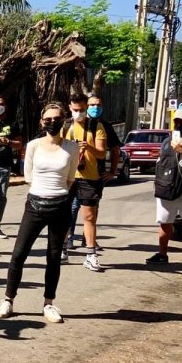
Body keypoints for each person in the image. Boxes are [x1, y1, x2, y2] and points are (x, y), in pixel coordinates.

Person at [0, 103, 79, 324]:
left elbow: (70, 178)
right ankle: (8, 299)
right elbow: (28, 175)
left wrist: (57, 194)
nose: (52, 122)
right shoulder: (33, 146)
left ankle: (48, 303)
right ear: (42, 121)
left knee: (53, 257)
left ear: (64, 120)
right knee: (19, 254)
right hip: (35, 205)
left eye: (57, 118)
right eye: (48, 119)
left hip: (60, 206)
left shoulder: (71, 147)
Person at [146, 107, 182, 270]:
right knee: (165, 224)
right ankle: (162, 254)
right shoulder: (167, 141)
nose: (178, 124)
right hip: (167, 188)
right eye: (176, 121)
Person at [63, 93, 107, 271]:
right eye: (75, 110)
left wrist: (88, 146)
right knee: (64, 215)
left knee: (89, 217)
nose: (79, 113)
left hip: (89, 177)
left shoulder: (96, 126)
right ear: (70, 108)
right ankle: (63, 249)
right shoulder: (65, 125)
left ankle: (91, 255)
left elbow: (102, 153)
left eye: (82, 110)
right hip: (68, 177)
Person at [0, 95, 21, 239]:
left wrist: (8, 142)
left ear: (5, 106)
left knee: (1, 196)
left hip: (5, 165)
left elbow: (19, 143)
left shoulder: (12, 123)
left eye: (0, 104)